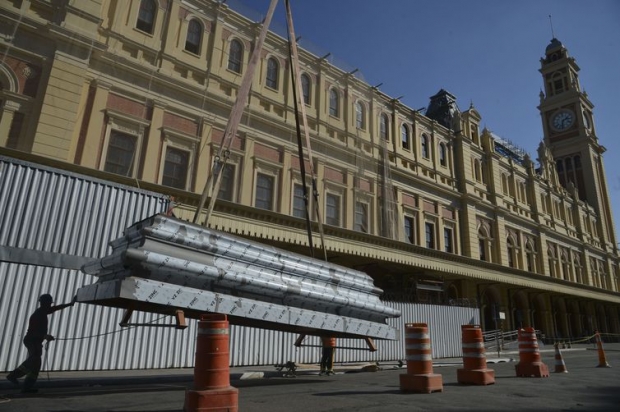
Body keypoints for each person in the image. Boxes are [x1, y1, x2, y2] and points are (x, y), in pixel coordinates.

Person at [6, 293, 76, 393]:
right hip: (31, 340)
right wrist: (45, 336)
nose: (50, 306)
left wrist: (70, 304)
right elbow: (34, 332)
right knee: (34, 358)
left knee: (36, 364)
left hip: (36, 341)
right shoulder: (37, 315)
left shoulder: (43, 311)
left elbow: (56, 308)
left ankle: (27, 388)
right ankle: (13, 375)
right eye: (49, 304)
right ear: (45, 303)